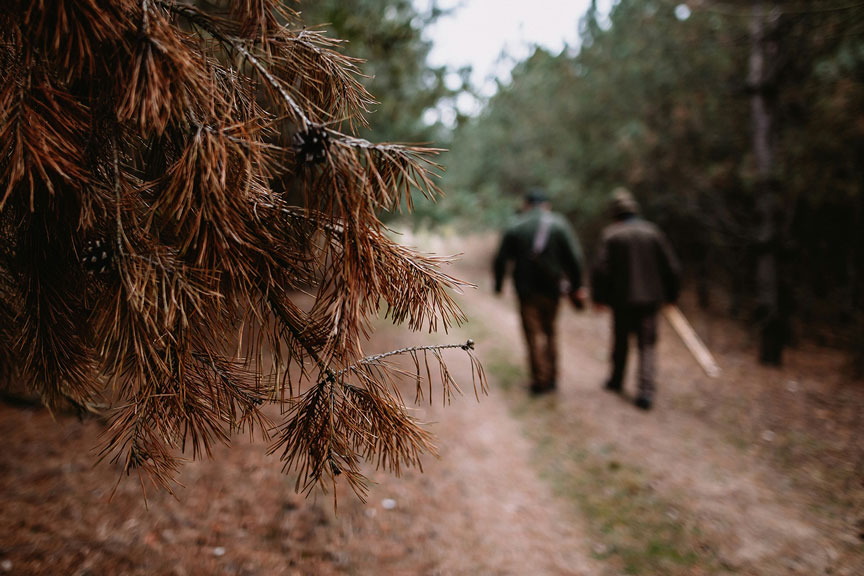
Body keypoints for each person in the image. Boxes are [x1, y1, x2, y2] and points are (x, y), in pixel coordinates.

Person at [590, 188, 681, 410]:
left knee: (621, 342)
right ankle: (646, 392)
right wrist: (671, 296)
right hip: (650, 301)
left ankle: (616, 380)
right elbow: (672, 267)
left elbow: (600, 270)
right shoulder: (652, 232)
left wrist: (599, 298)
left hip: (621, 301)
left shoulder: (611, 235)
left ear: (614, 213)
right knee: (647, 345)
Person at [493, 190, 586, 394]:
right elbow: (574, 258)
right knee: (550, 331)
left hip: (526, 291)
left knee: (532, 335)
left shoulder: (516, 225)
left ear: (527, 204)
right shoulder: (559, 224)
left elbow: (500, 258)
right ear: (547, 205)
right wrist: (577, 286)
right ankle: (552, 377)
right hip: (552, 290)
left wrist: (499, 286)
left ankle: (539, 380)